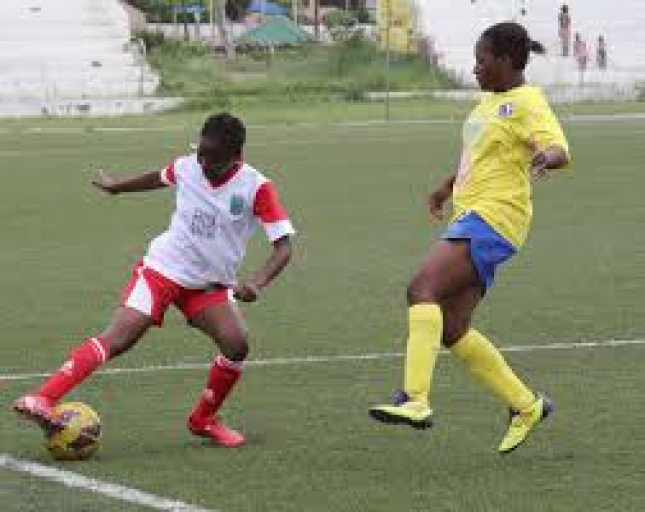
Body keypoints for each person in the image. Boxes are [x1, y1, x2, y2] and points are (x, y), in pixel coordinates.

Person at [13, 112, 296, 448]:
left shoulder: (256, 186)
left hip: (209, 285)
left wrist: (257, 284)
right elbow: (158, 178)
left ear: (236, 155)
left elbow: (284, 247)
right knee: (120, 337)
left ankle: (203, 420)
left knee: (237, 344)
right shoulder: (189, 165)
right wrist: (118, 187)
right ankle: (41, 399)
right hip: (162, 270)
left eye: (211, 158)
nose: (202, 162)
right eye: (200, 152)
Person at [369, 22, 570, 454]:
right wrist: (447, 186)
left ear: (505, 61)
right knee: (453, 326)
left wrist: (546, 158)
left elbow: (559, 147)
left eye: (482, 60)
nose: (475, 67)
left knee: (421, 288)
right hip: (476, 215)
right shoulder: (489, 103)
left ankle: (415, 398)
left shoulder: (527, 101)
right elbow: (482, 158)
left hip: (493, 219)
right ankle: (526, 404)